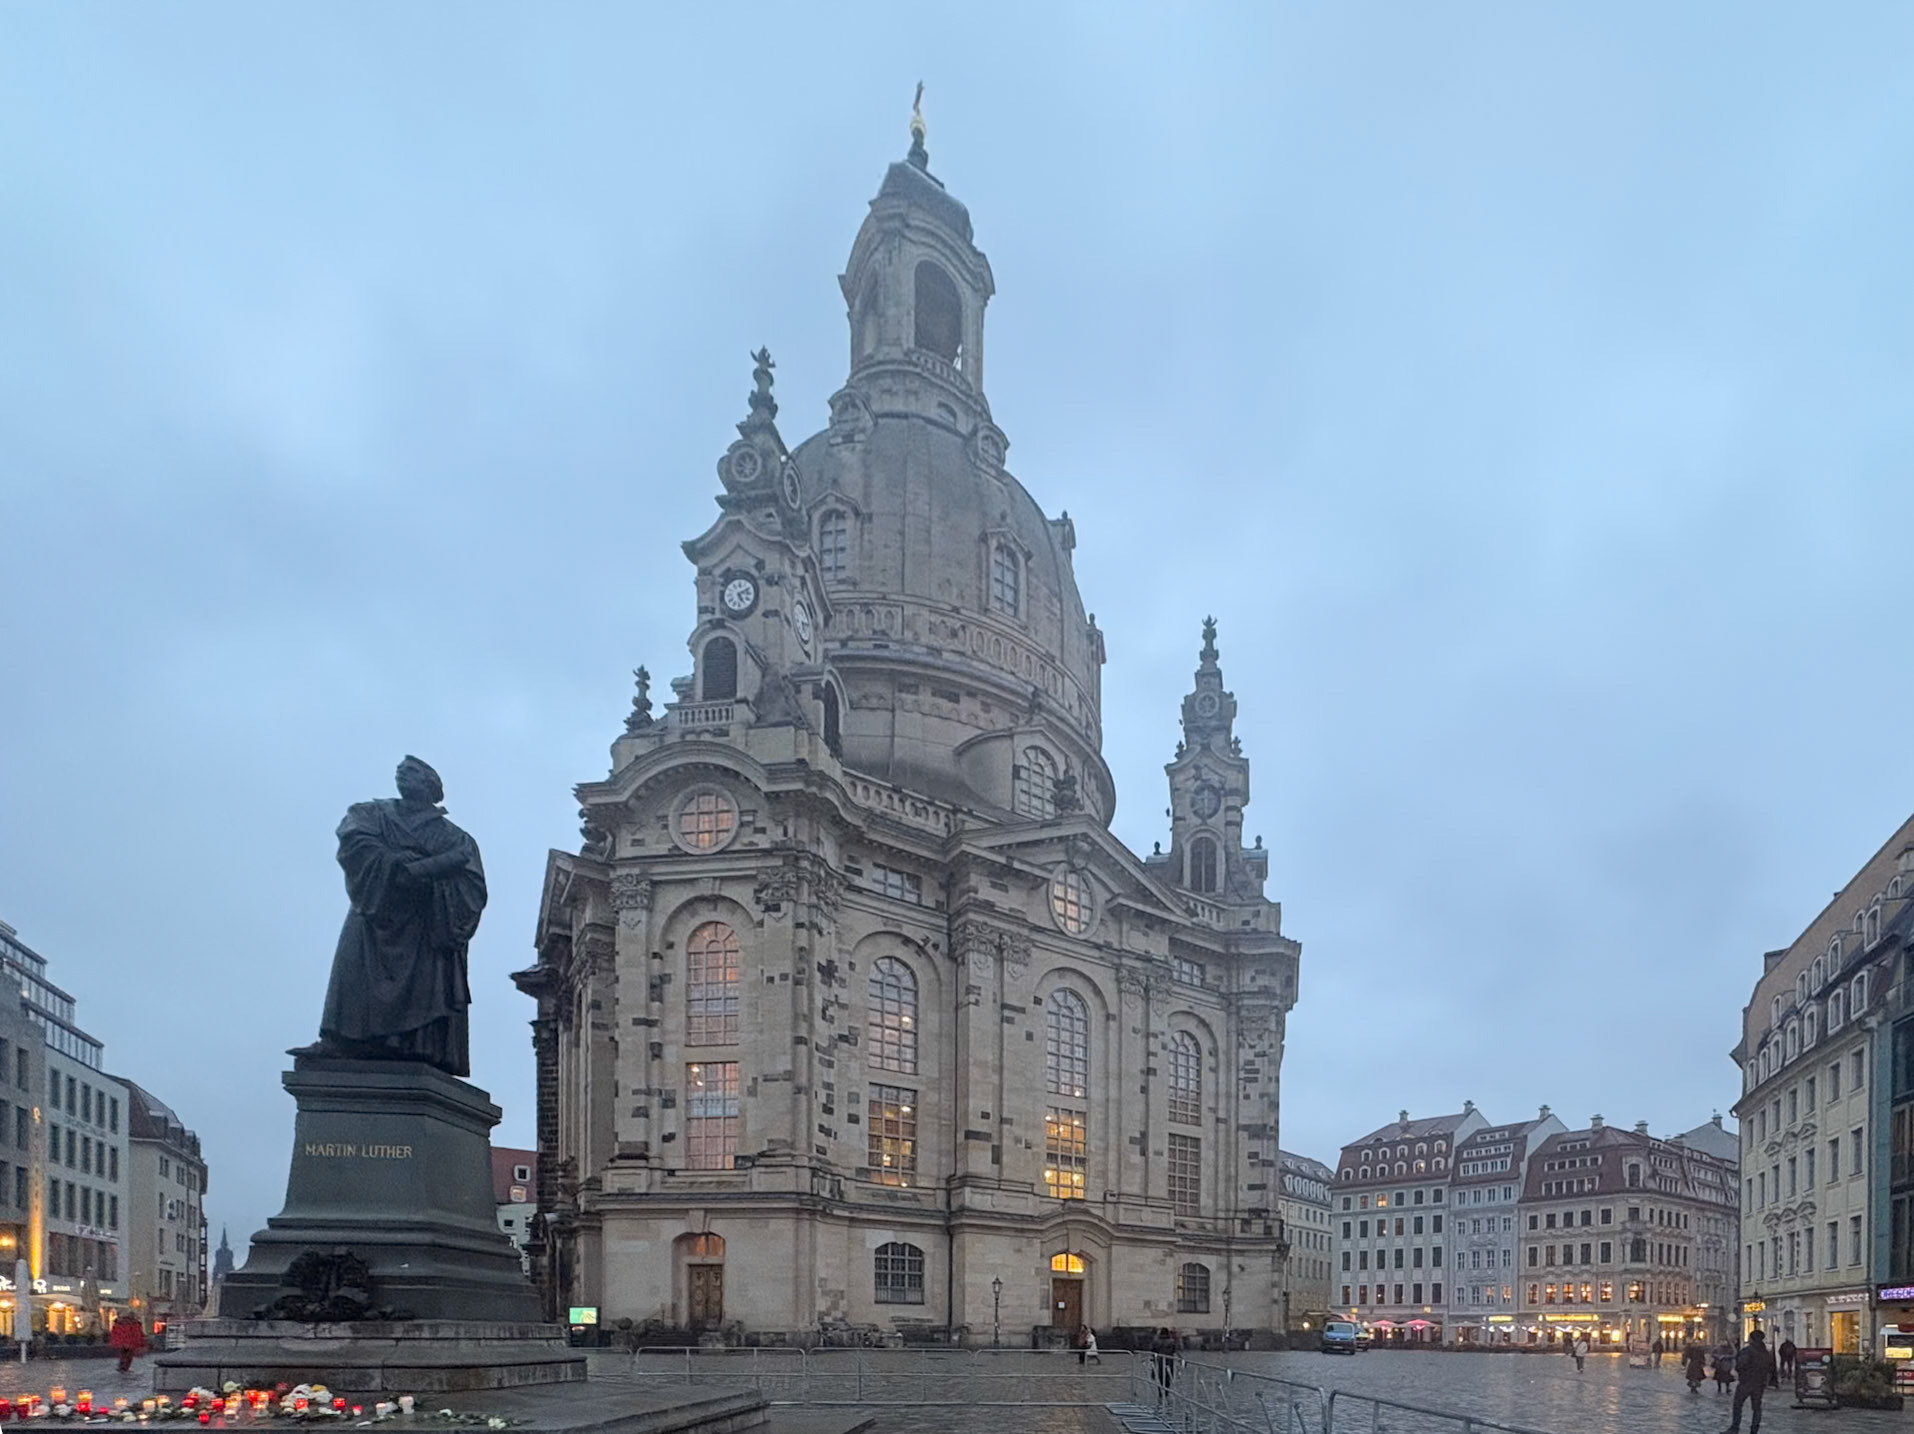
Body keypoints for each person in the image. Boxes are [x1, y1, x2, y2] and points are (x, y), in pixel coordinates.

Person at [307, 757, 487, 1076]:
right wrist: (395, 863)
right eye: (400, 771)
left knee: (425, 990)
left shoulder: (456, 838)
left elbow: (471, 889)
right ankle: (345, 1039)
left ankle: (417, 1045)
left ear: (432, 786)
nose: (403, 774)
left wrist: (429, 880)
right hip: (375, 914)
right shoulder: (371, 813)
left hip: (423, 926)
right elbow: (355, 845)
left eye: (414, 772)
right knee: (354, 972)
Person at [1727, 1328, 1776, 1433]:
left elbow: (1740, 1365)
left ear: (1751, 1339)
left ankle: (1735, 1427)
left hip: (1746, 1382)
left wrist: (1739, 1370)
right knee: (1757, 1407)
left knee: (1737, 1405)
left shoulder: (1748, 1351)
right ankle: (1754, 1429)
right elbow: (1771, 1367)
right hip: (1760, 1383)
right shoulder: (1766, 1353)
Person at [1151, 1328, 1179, 1398]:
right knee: (1168, 1377)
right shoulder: (1172, 1341)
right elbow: (1174, 1351)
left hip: (1159, 1361)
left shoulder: (1156, 1341)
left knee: (1160, 1377)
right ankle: (1166, 1393)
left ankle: (1160, 1393)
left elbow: (1153, 1351)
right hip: (1169, 1361)